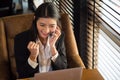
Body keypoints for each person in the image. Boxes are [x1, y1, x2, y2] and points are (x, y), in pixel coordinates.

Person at [14, 2, 67, 79]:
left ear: (57, 24)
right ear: (35, 20)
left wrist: (53, 48)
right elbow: (22, 74)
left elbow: (63, 68)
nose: (46, 30)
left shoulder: (59, 36)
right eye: (42, 25)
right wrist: (33, 56)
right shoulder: (20, 39)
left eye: (52, 26)